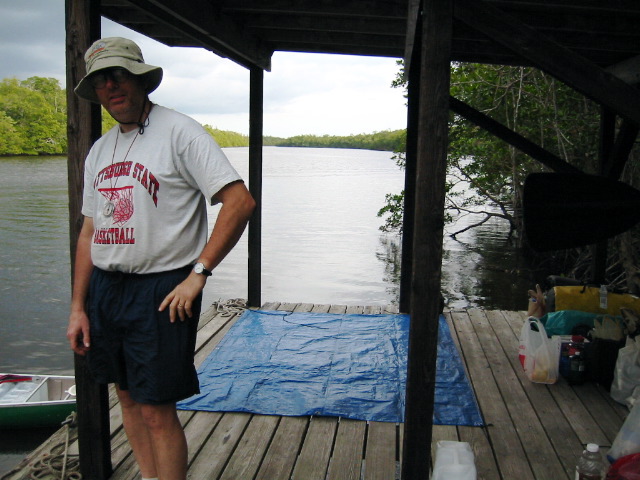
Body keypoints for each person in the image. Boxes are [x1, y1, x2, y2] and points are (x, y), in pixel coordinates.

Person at [66, 37, 256, 480]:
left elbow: (239, 202)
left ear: (141, 78)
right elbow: (89, 232)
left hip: (162, 289)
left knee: (156, 409)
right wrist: (78, 307)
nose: (112, 87)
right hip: (106, 291)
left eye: (120, 75)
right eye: (101, 81)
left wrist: (199, 274)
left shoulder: (180, 131)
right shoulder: (100, 149)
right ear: (94, 91)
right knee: (128, 398)